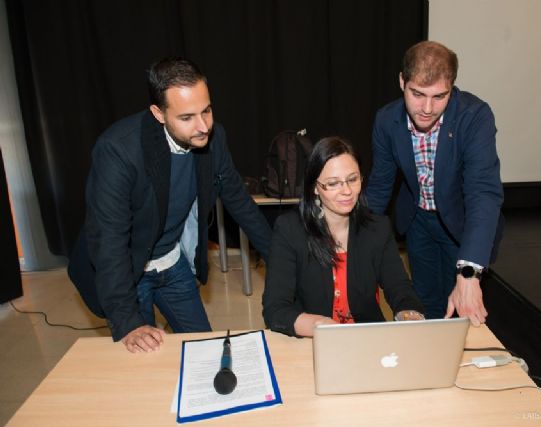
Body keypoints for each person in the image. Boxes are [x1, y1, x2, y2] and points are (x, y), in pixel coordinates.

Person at [68, 58, 272, 352]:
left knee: (206, 350)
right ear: (158, 113)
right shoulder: (118, 150)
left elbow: (240, 202)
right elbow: (109, 239)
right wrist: (127, 322)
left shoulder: (215, 138)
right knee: (146, 360)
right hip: (129, 270)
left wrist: (280, 258)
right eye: (187, 117)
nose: (203, 126)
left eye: (207, 111)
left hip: (172, 262)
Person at [364, 40, 504, 327]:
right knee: (424, 302)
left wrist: (468, 272)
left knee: (463, 310)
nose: (427, 108)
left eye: (440, 96)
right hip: (418, 222)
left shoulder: (474, 117)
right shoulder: (386, 120)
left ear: (452, 87)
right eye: (417, 94)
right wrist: (353, 236)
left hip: (463, 224)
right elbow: (379, 187)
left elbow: (483, 193)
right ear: (402, 81)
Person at [262, 137, 425, 337]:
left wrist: (409, 315)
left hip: (367, 339)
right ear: (315, 187)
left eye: (353, 179)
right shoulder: (290, 229)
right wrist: (321, 326)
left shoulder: (377, 228)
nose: (347, 191)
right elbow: (275, 310)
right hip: (312, 341)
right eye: (333, 184)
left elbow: (400, 288)